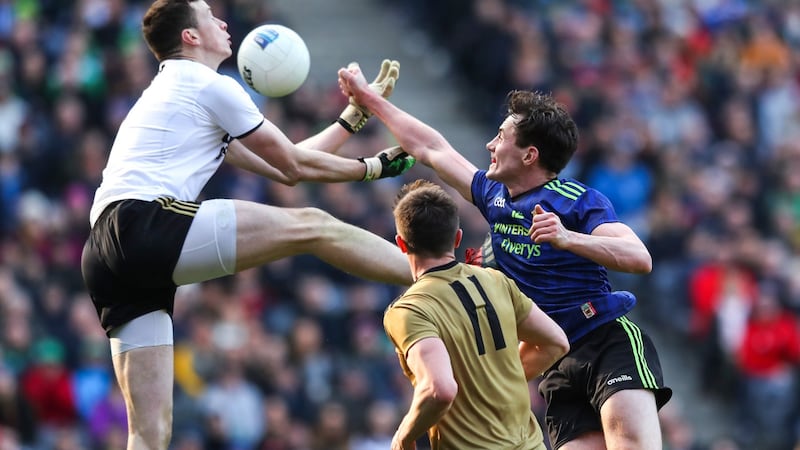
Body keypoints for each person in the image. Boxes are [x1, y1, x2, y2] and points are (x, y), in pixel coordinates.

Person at [80, 1, 415, 449]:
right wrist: (371, 167)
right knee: (314, 225)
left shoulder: (177, 91)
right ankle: (435, 271)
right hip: (142, 224)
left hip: (104, 251)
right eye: (207, 15)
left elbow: (283, 165)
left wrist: (353, 117)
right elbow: (295, 166)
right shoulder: (208, 83)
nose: (221, 21)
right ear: (190, 37)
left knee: (148, 433)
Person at [340, 68, 673, 449]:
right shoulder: (494, 196)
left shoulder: (576, 200)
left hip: (606, 340)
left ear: (530, 155)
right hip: (556, 363)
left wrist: (568, 238)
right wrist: (370, 101)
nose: (489, 145)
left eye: (500, 137)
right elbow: (431, 148)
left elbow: (638, 257)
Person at [384, 179, 569, 450]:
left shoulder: (409, 310)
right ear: (457, 238)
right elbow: (556, 342)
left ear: (401, 244)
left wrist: (403, 436)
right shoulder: (495, 281)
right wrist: (497, 380)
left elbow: (440, 389)